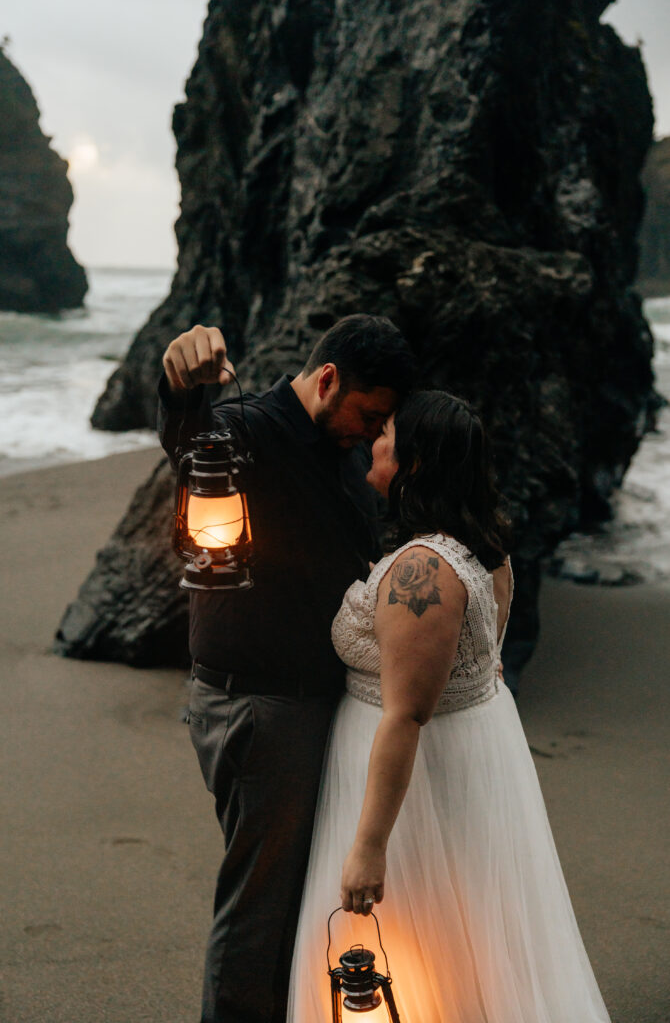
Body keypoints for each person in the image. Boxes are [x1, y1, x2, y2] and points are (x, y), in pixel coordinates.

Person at [288, 391, 611, 1022]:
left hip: (411, 781)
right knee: (462, 933)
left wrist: (369, 846)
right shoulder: (481, 549)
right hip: (465, 759)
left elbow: (407, 713)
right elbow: (482, 666)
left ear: (412, 462)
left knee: (414, 933)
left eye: (384, 434)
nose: (372, 443)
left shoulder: (424, 571)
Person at [158, 314, 416, 1023]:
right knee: (258, 910)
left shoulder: (342, 455)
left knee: (286, 899)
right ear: (328, 379)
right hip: (258, 708)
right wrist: (179, 381)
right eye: (370, 413)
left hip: (305, 706)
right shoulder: (244, 431)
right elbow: (188, 448)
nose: (371, 431)